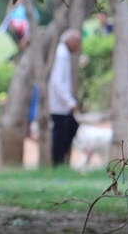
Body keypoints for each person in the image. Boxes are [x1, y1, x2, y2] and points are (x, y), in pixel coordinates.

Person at [49, 28, 82, 167]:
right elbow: (58, 82)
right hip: (59, 104)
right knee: (60, 134)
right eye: (77, 43)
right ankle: (57, 162)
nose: (78, 47)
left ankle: (60, 161)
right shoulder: (61, 54)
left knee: (68, 129)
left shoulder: (64, 54)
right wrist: (70, 102)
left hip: (62, 103)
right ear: (71, 42)